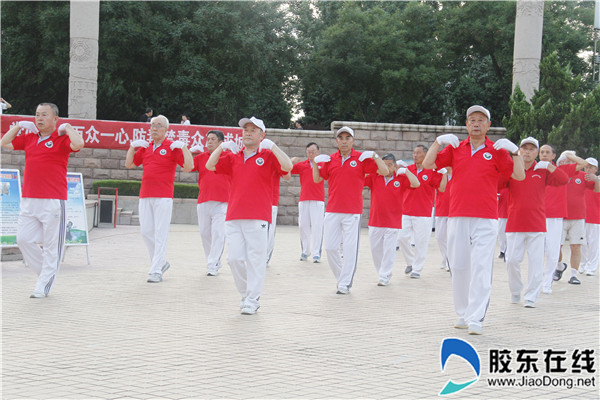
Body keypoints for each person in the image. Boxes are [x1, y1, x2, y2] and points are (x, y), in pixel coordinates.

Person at [422, 105, 524, 335]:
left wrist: (515, 152)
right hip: (457, 215)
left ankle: (476, 317)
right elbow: (428, 164)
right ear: (466, 125)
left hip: (486, 217)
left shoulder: (496, 150)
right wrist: (438, 142)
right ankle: (463, 312)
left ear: (488, 125)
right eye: (471, 120)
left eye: (481, 120)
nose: (476, 123)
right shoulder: (456, 148)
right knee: (458, 265)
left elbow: (519, 175)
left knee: (480, 266)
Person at [205, 116, 292, 315]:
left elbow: (288, 167)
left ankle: (252, 299)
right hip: (234, 215)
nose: (248, 132)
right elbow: (210, 166)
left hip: (258, 216)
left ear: (262, 135)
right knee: (233, 259)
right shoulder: (233, 156)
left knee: (255, 259)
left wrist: (273, 147)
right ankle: (246, 294)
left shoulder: (268, 157)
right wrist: (222, 147)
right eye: (245, 129)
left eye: (253, 130)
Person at [0, 102, 84, 298]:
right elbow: (4, 142)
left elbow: (79, 144)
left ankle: (43, 283)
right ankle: (46, 274)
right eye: (37, 114)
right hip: (29, 199)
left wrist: (68, 128)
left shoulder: (62, 139)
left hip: (53, 200)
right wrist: (18, 126)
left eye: (44, 115)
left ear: (55, 119)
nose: (39, 118)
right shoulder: (30, 138)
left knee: (51, 245)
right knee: (23, 239)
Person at [312, 126, 389, 295]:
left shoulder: (361, 159)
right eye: (341, 138)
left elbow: (385, 171)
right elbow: (317, 179)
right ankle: (342, 277)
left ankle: (345, 283)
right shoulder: (331, 159)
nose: (344, 141)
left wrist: (375, 157)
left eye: (348, 138)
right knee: (330, 248)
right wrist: (314, 163)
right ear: (337, 141)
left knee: (349, 248)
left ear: (353, 140)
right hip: (332, 210)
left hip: (352, 211)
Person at [499, 137, 568, 308]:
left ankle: (531, 296)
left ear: (537, 153)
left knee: (536, 263)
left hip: (537, 224)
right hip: (515, 223)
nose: (528, 152)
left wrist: (549, 166)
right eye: (525, 148)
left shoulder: (542, 170)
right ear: (520, 151)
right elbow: (498, 184)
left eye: (531, 149)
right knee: (512, 260)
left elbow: (564, 180)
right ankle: (516, 291)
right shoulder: (513, 169)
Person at [125, 115, 193, 283]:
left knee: (160, 233)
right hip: (145, 195)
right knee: (146, 232)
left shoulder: (172, 147)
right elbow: (129, 164)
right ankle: (161, 262)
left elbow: (189, 167)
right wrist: (132, 147)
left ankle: (156, 270)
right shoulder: (146, 147)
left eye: (158, 125)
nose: (154, 128)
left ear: (166, 129)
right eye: (152, 125)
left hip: (163, 196)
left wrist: (184, 148)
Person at [365, 153, 419, 286]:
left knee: (389, 250)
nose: (387, 167)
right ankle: (382, 272)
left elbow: (416, 183)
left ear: (395, 166)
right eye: (385, 164)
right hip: (375, 221)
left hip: (392, 222)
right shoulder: (374, 177)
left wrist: (406, 171)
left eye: (390, 165)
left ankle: (385, 275)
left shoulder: (400, 179)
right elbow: (360, 178)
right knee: (375, 250)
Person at [184, 130, 232, 276]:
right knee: (205, 234)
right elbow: (185, 168)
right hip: (204, 201)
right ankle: (212, 260)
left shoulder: (229, 156)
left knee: (218, 233)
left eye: (213, 139)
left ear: (221, 142)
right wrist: (188, 152)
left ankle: (213, 264)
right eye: (208, 139)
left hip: (223, 202)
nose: (209, 142)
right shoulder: (201, 157)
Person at [540, 145, 585, 293]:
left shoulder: (563, 170)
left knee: (553, 249)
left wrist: (568, 155)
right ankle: (551, 272)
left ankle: (547, 283)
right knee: (540, 251)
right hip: (538, 215)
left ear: (554, 156)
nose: (544, 155)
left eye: (548, 152)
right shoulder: (536, 168)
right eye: (542, 152)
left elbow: (583, 164)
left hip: (555, 216)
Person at [397, 145, 442, 279]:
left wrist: (443, 173)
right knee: (401, 238)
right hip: (406, 210)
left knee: (421, 242)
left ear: (426, 154)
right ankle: (411, 261)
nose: (415, 155)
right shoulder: (408, 170)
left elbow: (440, 187)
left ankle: (417, 268)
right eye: (414, 152)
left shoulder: (431, 171)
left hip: (424, 212)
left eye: (418, 153)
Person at [553, 153, 598, 285]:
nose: (568, 164)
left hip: (578, 217)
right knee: (557, 246)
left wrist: (597, 180)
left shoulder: (583, 176)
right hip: (560, 216)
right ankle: (559, 266)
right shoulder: (559, 174)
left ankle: (573, 274)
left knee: (576, 246)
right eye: (565, 161)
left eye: (570, 161)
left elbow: (596, 190)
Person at [290, 143, 325, 263]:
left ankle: (316, 254)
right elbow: (286, 169)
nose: (311, 154)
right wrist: (291, 160)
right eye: (309, 151)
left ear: (318, 152)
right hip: (304, 199)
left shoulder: (323, 165)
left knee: (317, 227)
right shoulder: (301, 165)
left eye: (313, 151)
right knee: (303, 226)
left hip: (318, 200)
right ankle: (305, 251)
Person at [581, 158, 600, 276]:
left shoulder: (598, 179)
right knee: (581, 243)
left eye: (591, 167)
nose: (588, 169)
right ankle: (582, 264)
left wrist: (596, 179)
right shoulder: (581, 179)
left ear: (596, 169)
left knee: (593, 243)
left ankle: (592, 267)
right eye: (586, 167)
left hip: (595, 217)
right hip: (581, 216)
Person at [434, 167, 451, 271]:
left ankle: (450, 260)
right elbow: (441, 188)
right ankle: (445, 257)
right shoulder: (439, 175)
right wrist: (444, 175)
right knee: (440, 237)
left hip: (454, 211)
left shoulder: (458, 174)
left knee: (452, 238)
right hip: (441, 209)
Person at [496, 187, 509, 261]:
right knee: (501, 233)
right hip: (501, 213)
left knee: (509, 234)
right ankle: (502, 250)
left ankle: (507, 249)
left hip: (511, 213)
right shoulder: (500, 187)